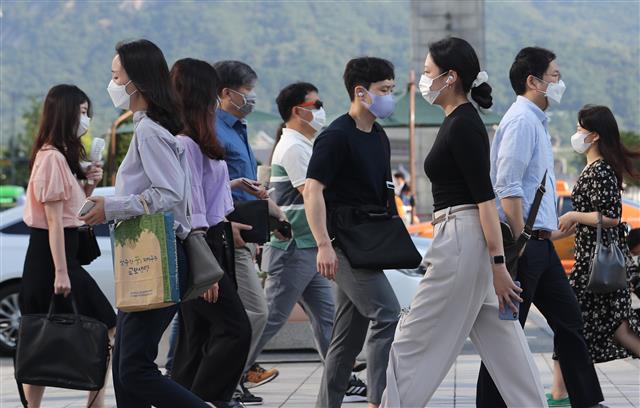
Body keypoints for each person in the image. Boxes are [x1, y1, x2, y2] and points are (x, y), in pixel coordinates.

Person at [381, 37, 546, 408]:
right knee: (506, 347)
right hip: (468, 241)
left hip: (462, 240)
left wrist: (499, 265)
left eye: (427, 73)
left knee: (411, 341)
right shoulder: (459, 121)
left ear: (450, 76)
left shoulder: (464, 125)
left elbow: (485, 199)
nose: (424, 80)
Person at [80, 39, 208, 408]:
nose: (113, 84)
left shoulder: (151, 130)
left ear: (136, 80)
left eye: (116, 76)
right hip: (149, 256)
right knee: (125, 366)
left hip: (159, 256)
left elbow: (169, 195)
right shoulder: (150, 126)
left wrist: (111, 207)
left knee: (133, 368)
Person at [476, 46, 605, 408]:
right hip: (525, 245)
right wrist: (521, 237)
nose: (559, 82)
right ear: (533, 81)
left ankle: (587, 400)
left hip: (540, 246)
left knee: (569, 321)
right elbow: (507, 183)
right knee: (508, 331)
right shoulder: (521, 121)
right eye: (555, 76)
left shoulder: (535, 121)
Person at [304, 56, 401, 408]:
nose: (390, 97)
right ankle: (378, 401)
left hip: (368, 245)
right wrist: (323, 245)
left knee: (346, 339)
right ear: (361, 92)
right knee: (387, 313)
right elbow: (312, 190)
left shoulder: (377, 135)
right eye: (384, 90)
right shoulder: (335, 136)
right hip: (342, 245)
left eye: (391, 89)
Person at [20, 84, 116, 408]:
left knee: (44, 340)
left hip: (59, 258)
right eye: (82, 112)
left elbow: (75, 211)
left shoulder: (62, 157)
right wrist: (62, 272)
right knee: (105, 325)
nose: (85, 119)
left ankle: (92, 402)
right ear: (65, 113)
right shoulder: (50, 158)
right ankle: (94, 403)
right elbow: (52, 222)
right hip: (52, 261)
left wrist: (89, 182)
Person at [168, 58, 254, 408]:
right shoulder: (185, 142)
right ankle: (204, 401)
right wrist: (203, 260)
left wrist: (231, 184)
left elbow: (203, 192)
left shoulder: (199, 138)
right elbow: (190, 206)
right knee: (236, 329)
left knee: (195, 336)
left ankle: (183, 400)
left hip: (214, 237)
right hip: (201, 242)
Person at [245, 81, 337, 389]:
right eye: (316, 106)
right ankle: (229, 376)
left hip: (307, 248)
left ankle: (341, 377)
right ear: (297, 111)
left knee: (327, 318)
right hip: (294, 248)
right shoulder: (295, 147)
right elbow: (310, 194)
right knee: (270, 318)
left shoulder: (303, 144)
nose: (321, 111)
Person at [548, 105, 640, 406]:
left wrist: (575, 213)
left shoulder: (600, 169)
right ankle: (560, 393)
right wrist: (544, 236)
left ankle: (560, 394)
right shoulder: (594, 168)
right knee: (612, 329)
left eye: (579, 128)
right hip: (593, 266)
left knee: (573, 325)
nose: (576, 134)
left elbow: (611, 217)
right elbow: (584, 223)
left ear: (594, 134)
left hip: (595, 267)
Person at [213, 60, 279, 405]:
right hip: (224, 230)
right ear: (225, 93)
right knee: (256, 312)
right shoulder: (212, 130)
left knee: (217, 318)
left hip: (242, 230)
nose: (251, 99)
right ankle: (227, 380)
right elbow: (206, 187)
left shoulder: (238, 128)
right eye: (246, 92)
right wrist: (227, 226)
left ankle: (226, 381)